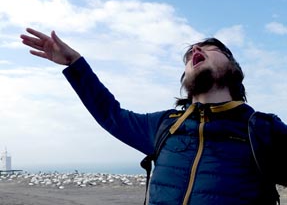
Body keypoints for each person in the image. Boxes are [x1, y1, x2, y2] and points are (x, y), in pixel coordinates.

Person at [20, 28, 287, 205]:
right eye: (190, 53)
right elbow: (110, 114)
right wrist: (75, 64)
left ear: (233, 68)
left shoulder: (263, 130)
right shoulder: (165, 126)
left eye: (208, 48)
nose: (195, 51)